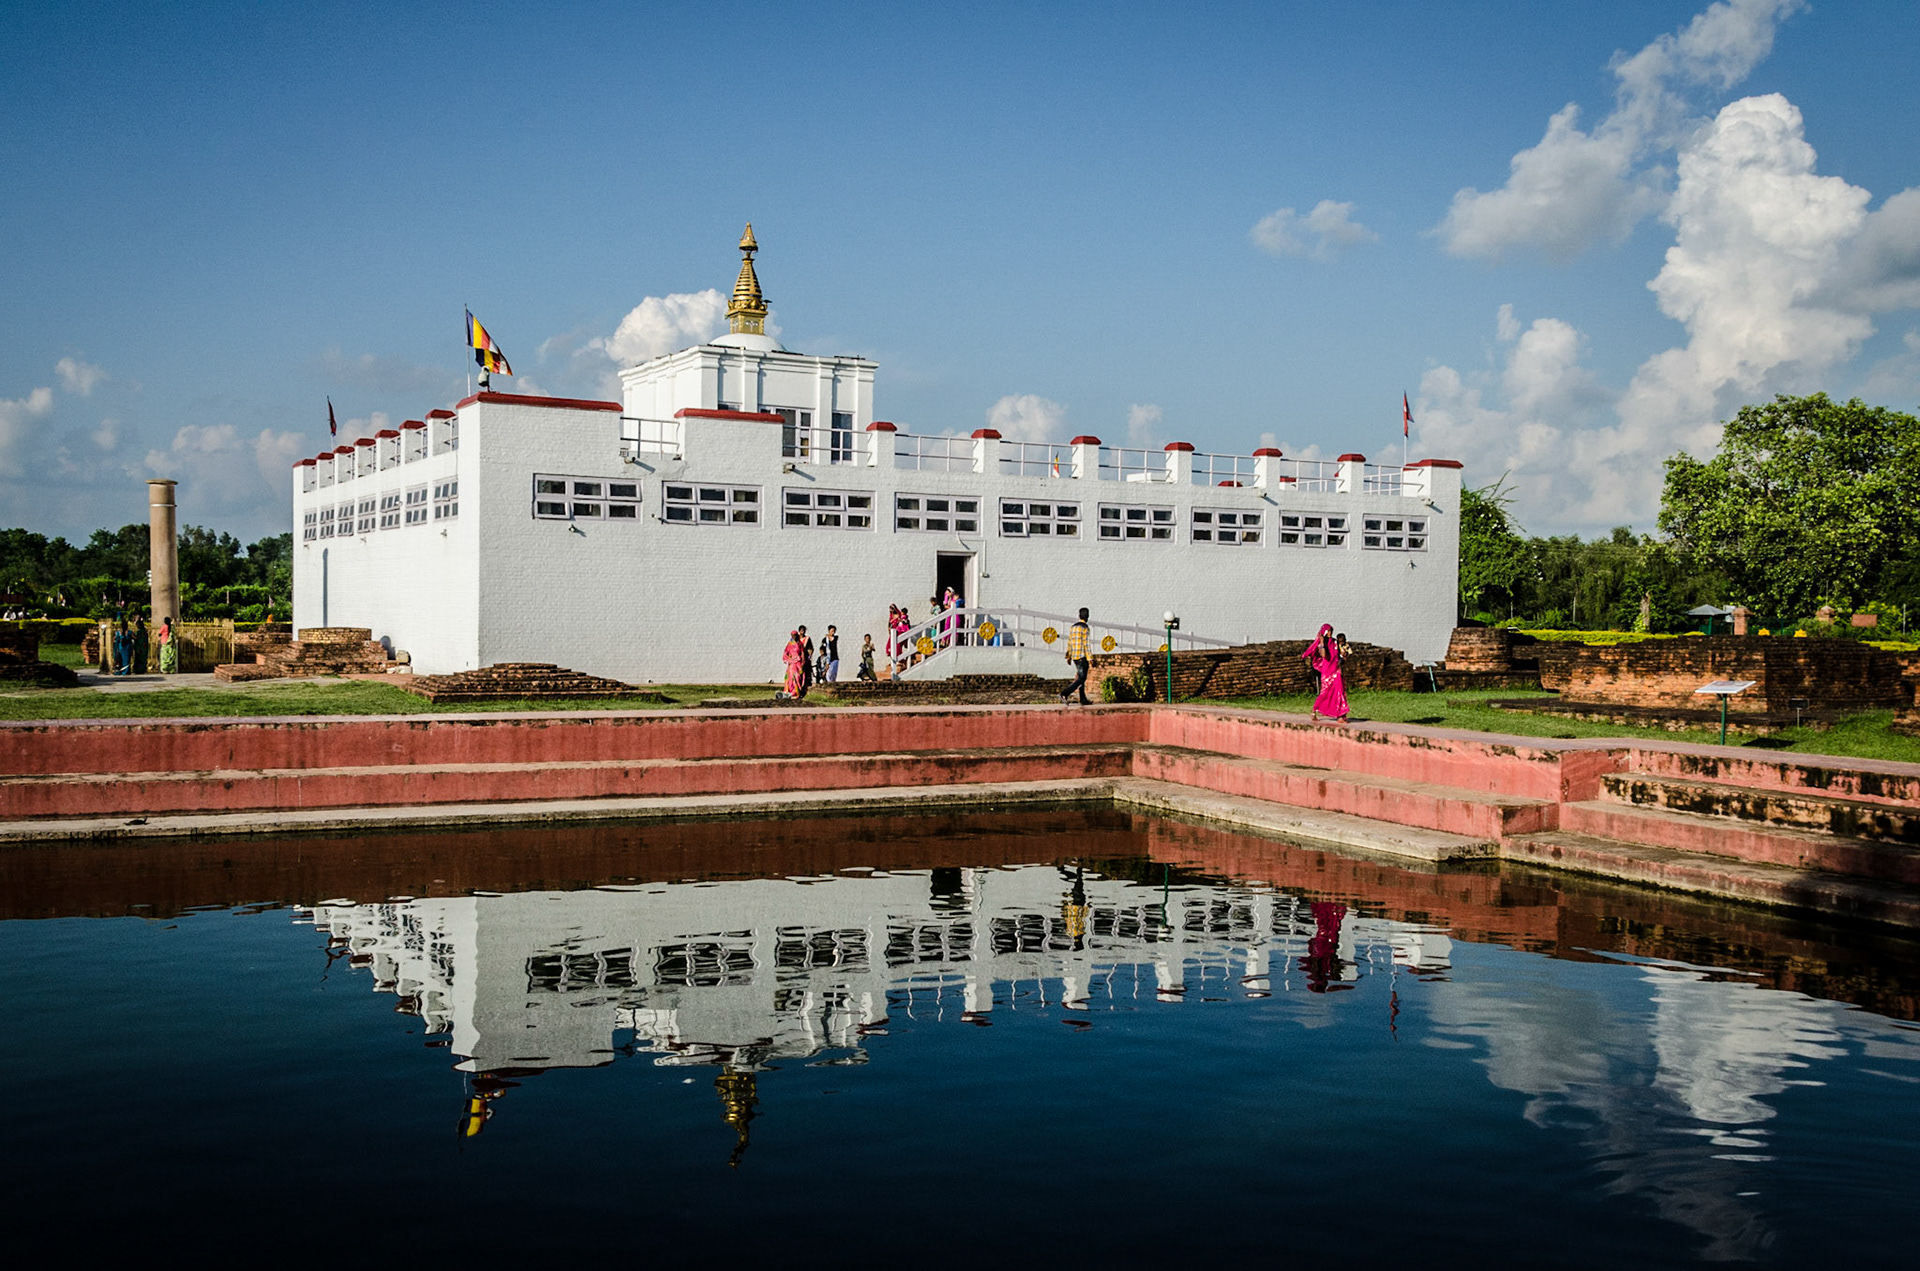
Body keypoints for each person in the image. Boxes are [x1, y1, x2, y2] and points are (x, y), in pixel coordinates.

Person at [1304, 623, 1349, 722]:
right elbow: (1324, 655)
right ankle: (1314, 710)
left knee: (1340, 692)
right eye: (1328, 631)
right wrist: (1321, 642)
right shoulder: (1322, 643)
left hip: (1336, 670)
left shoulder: (1335, 642)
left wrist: (1344, 656)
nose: (1330, 633)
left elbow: (1339, 655)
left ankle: (1341, 715)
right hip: (1327, 672)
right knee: (1325, 693)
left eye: (1331, 631)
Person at [1060, 607, 1091, 706]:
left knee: (1081, 677)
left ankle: (1083, 699)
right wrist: (1090, 658)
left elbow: (1070, 642)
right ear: (1087, 617)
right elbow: (1086, 644)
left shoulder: (1073, 627)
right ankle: (1064, 693)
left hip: (1075, 656)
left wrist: (1068, 656)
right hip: (1082, 656)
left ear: (1079, 616)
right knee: (1081, 678)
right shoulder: (1085, 628)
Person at [781, 629, 805, 699]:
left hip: (798, 663)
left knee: (798, 676)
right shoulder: (790, 644)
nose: (794, 637)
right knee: (791, 677)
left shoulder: (800, 644)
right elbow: (786, 652)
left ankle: (797, 692)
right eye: (792, 635)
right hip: (792, 663)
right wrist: (787, 659)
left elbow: (802, 653)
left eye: (795, 635)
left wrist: (803, 662)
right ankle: (791, 692)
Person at [796, 625, 814, 698]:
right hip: (796, 660)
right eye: (801, 630)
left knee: (805, 675)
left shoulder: (807, 639)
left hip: (805, 659)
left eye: (803, 630)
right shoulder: (796, 639)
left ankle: (804, 690)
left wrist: (809, 657)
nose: (802, 632)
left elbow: (810, 649)